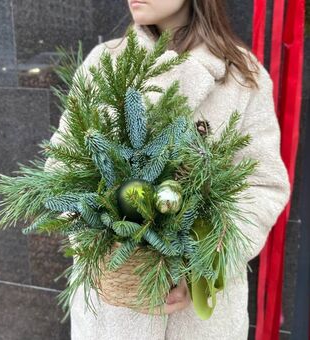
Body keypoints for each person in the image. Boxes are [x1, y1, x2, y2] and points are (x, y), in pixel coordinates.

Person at [45, 0, 291, 339]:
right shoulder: (103, 62)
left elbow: (263, 185)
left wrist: (202, 263)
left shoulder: (240, 74)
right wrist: (102, 246)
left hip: (199, 317)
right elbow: (61, 168)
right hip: (114, 315)